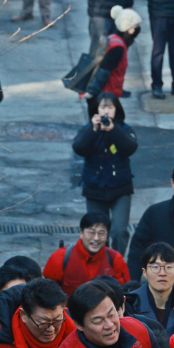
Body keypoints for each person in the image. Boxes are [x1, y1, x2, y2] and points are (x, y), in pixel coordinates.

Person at [72, 93, 138, 256]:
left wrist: (113, 130)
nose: (106, 111)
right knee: (96, 232)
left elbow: (130, 148)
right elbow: (79, 148)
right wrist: (94, 130)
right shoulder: (89, 128)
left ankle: (117, 263)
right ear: (96, 110)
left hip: (120, 188)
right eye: (103, 107)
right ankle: (98, 266)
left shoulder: (123, 129)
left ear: (117, 110)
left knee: (118, 231)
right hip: (95, 188)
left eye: (110, 107)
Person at [44, 211, 130, 295]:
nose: (96, 238)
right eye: (91, 233)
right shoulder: (60, 256)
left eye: (101, 233)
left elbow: (124, 292)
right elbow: (48, 293)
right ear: (81, 233)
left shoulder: (115, 258)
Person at [82, 7, 141, 102]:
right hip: (106, 96)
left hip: (105, 94)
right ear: (129, 29)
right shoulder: (118, 48)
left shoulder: (113, 38)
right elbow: (104, 70)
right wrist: (93, 92)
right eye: (136, 26)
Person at [128, 243, 174, 335]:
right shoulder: (131, 303)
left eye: (168, 267)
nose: (162, 273)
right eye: (155, 267)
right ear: (144, 272)